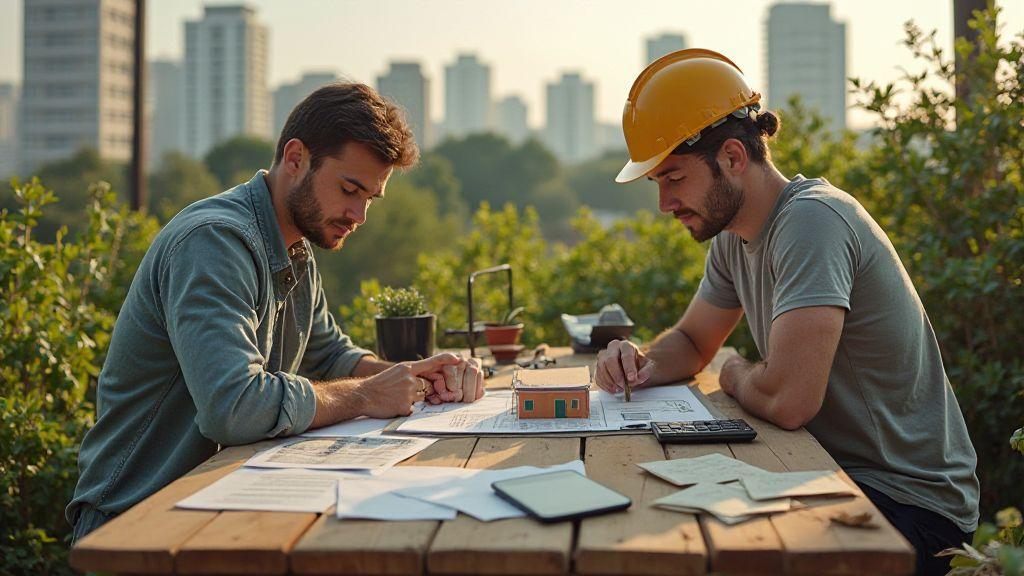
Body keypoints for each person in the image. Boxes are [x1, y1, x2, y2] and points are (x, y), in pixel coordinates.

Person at [594, 49, 978, 575]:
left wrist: (735, 374)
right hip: (830, 476)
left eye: (674, 178)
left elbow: (789, 401)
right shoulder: (734, 237)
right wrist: (638, 361)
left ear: (732, 157)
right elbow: (690, 342)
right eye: (657, 183)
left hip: (909, 510)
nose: (664, 203)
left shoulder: (812, 223)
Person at [67, 83, 484, 542]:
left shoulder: (296, 246)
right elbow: (234, 407)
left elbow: (330, 358)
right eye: (350, 189)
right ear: (295, 158)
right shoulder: (213, 243)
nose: (360, 214)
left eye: (370, 197)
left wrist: (414, 377)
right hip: (136, 524)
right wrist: (366, 395)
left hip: (223, 506)